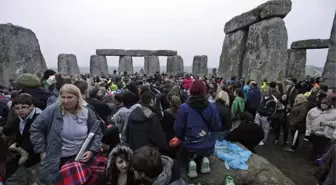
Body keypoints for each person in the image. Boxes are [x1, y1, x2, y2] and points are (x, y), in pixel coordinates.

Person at [30, 84, 103, 184]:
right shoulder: (52, 111)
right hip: (58, 159)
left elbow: (96, 132)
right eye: (63, 97)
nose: (65, 100)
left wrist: (92, 150)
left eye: (70, 97)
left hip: (81, 157)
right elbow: (35, 128)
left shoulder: (87, 112)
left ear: (78, 98)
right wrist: (42, 150)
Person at [174, 80, 221, 178]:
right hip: (208, 143)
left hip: (189, 145)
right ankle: (204, 158)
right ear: (204, 91)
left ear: (191, 91)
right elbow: (217, 127)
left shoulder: (183, 108)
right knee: (203, 144)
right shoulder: (212, 107)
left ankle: (191, 162)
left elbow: (178, 130)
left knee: (186, 147)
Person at [2, 94, 42, 168]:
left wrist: (19, 149)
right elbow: (8, 131)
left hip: (38, 156)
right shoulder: (18, 119)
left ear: (31, 107)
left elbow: (35, 140)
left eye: (23, 107)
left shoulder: (38, 119)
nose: (20, 110)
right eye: (17, 108)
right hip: (25, 153)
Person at [126, 91, 171, 156]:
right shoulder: (152, 117)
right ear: (152, 100)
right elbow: (160, 140)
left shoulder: (132, 114)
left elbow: (126, 134)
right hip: (149, 155)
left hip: (136, 153)